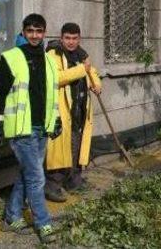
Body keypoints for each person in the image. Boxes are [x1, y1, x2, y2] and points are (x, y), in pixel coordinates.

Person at [0, 13, 61, 244]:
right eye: (30, 31)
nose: (35, 35)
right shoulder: (11, 57)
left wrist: (56, 119)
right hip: (21, 129)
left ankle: (11, 216)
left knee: (26, 174)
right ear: (23, 31)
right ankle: (43, 223)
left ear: (44, 32)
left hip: (41, 128)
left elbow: (52, 94)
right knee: (37, 178)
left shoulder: (49, 59)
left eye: (39, 31)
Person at [44, 23, 102, 202]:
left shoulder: (81, 55)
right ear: (61, 38)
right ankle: (52, 186)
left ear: (79, 39)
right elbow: (56, 78)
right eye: (67, 38)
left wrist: (97, 84)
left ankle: (74, 182)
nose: (71, 42)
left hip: (80, 109)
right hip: (62, 111)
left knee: (76, 148)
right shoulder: (52, 55)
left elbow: (91, 71)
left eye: (74, 38)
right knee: (60, 151)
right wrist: (81, 70)